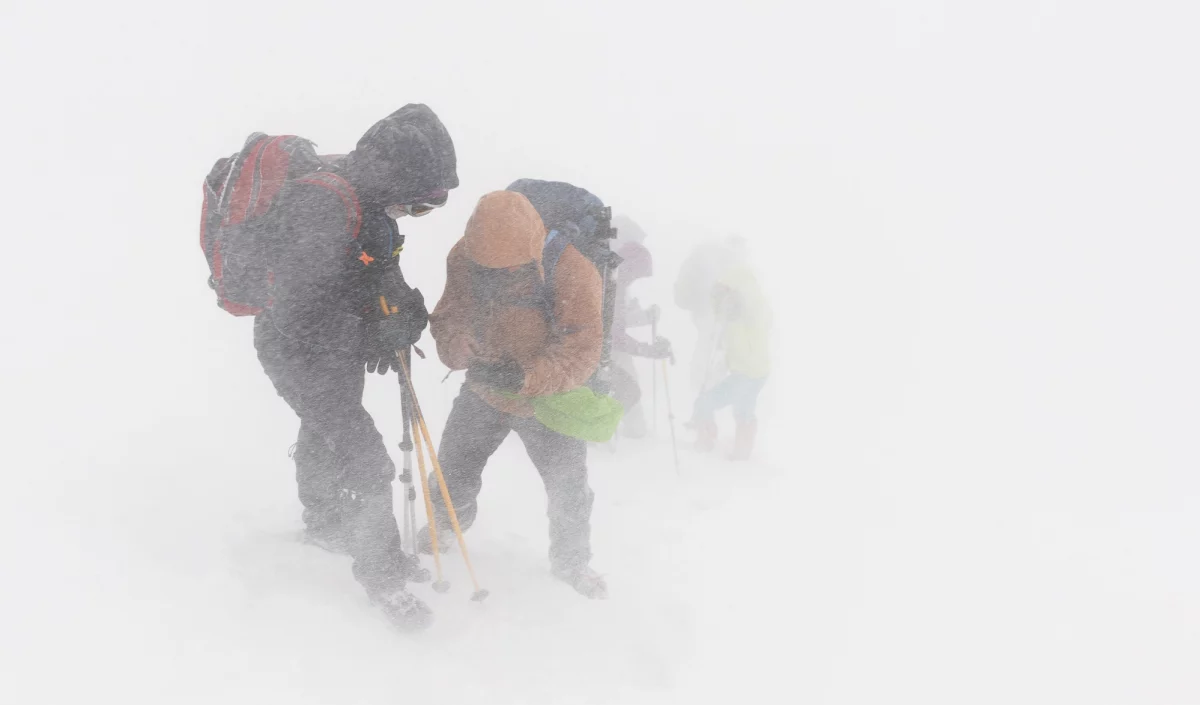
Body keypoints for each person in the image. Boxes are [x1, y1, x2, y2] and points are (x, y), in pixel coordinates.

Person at [253, 104, 458, 631]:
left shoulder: (368, 202)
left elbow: (374, 267)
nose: (411, 215)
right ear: (396, 178)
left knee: (328, 430)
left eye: (424, 210)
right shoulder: (324, 204)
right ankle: (381, 575)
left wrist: (403, 307)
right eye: (416, 205)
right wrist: (370, 331)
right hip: (296, 350)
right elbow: (297, 309)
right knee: (366, 460)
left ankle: (324, 519)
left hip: (331, 349)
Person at [421, 190, 609, 599]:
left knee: (568, 489)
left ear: (532, 249)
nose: (496, 278)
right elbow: (450, 313)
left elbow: (582, 351)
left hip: (549, 400)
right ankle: (450, 521)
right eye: (487, 270)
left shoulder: (574, 272)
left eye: (509, 271)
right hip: (484, 389)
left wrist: (526, 377)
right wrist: (455, 344)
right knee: (452, 470)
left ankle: (572, 560)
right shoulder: (464, 257)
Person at [689, 263, 770, 460]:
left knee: (704, 403)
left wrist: (736, 305)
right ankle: (742, 451)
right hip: (757, 372)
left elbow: (755, 323)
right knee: (743, 410)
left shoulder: (749, 309)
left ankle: (705, 444)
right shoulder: (743, 309)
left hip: (746, 373)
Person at [610, 240, 672, 437]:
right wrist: (647, 350)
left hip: (607, 345)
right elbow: (615, 334)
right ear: (629, 267)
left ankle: (634, 430)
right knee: (629, 389)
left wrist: (644, 317)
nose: (636, 279)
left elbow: (615, 322)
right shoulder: (614, 286)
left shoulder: (614, 281)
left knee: (628, 387)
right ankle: (613, 431)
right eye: (637, 273)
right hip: (606, 348)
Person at [674, 236, 747, 392]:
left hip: (703, 310)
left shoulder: (703, 257)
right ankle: (708, 385)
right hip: (711, 311)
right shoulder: (723, 259)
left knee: (707, 345)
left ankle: (701, 383)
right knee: (714, 345)